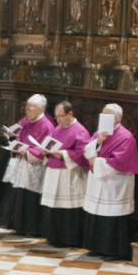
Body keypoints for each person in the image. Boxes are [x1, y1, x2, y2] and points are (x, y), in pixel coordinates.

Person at [81, 103, 138, 259]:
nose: (102, 118)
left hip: (114, 183)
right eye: (102, 114)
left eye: (106, 115)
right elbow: (87, 150)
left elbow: (118, 162)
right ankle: (96, 246)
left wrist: (96, 162)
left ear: (116, 118)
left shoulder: (126, 137)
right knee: (97, 213)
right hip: (99, 182)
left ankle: (112, 250)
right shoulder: (99, 133)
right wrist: (98, 142)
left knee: (112, 217)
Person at [32, 101, 91, 249]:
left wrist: (61, 154)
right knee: (53, 206)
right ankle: (53, 236)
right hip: (53, 173)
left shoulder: (80, 131)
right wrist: (44, 151)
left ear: (70, 114)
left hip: (69, 175)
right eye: (56, 116)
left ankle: (69, 238)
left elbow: (81, 154)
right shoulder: (57, 129)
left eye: (61, 116)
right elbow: (48, 145)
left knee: (67, 207)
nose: (57, 120)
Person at [0, 94, 53, 238]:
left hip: (33, 166)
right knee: (19, 194)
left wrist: (27, 151)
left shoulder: (47, 125)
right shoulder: (27, 120)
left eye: (29, 108)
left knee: (30, 197)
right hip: (22, 162)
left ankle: (31, 228)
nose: (26, 110)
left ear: (39, 109)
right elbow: (18, 134)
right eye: (26, 107)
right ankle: (17, 225)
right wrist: (15, 145)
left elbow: (46, 148)